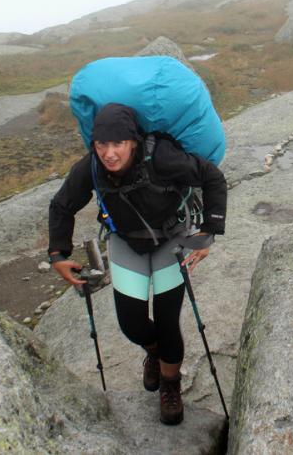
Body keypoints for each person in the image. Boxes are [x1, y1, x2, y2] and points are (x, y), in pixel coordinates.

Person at [47, 102, 227, 426]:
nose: (109, 153)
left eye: (118, 143)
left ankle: (170, 385)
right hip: (126, 241)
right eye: (102, 144)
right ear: (94, 144)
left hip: (171, 240)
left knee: (167, 320)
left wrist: (209, 231)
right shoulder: (90, 167)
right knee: (131, 323)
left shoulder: (161, 157)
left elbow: (211, 177)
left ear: (133, 141)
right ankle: (156, 354)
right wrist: (58, 254)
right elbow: (62, 205)